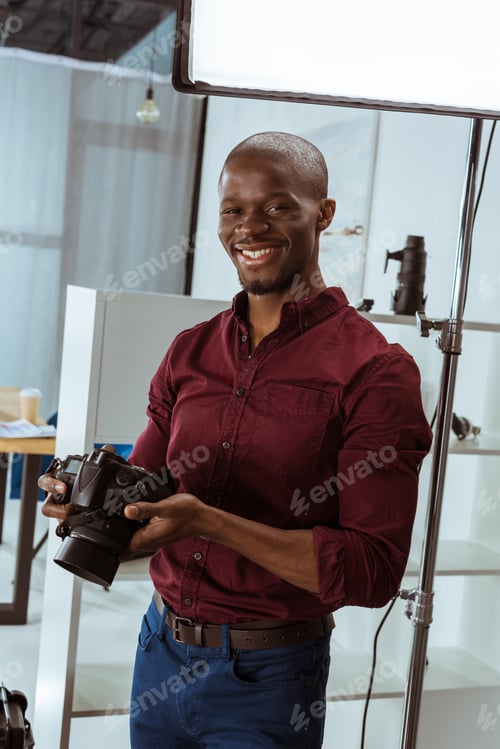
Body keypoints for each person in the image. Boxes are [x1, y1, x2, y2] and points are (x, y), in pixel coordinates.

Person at [39, 131, 433, 748]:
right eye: (233, 209)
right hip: (158, 653)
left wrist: (209, 522)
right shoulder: (190, 350)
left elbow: (371, 570)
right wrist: (87, 504)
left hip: (271, 680)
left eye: (277, 206)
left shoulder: (375, 370)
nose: (250, 227)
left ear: (323, 213)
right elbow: (145, 503)